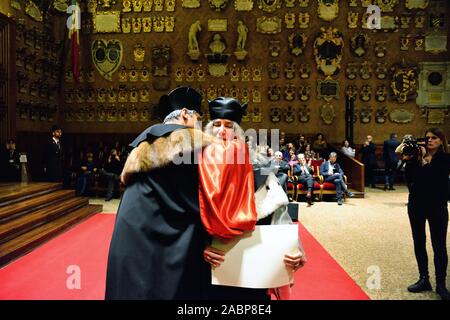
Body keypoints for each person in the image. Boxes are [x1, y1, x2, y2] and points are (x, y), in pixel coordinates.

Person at [105, 86, 213, 299]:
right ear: (184, 114)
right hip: (158, 240)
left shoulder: (144, 142)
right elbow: (198, 202)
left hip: (130, 236)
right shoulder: (189, 143)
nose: (200, 125)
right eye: (198, 117)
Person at [202, 97, 306, 300]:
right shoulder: (193, 166)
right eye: (216, 125)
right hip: (210, 270)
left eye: (228, 126)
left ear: (238, 132)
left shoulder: (259, 167)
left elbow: (279, 214)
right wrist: (200, 247)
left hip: (253, 272)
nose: (222, 131)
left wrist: (295, 251)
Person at [402, 128, 450, 300]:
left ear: (441, 141)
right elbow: (409, 181)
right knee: (419, 242)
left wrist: (424, 162)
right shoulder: (415, 157)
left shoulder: (445, 159)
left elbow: (437, 179)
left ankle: (441, 284)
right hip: (416, 206)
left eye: (434, 138)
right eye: (427, 138)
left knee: (439, 245)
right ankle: (424, 279)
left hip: (437, 206)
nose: (429, 140)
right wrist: (411, 159)